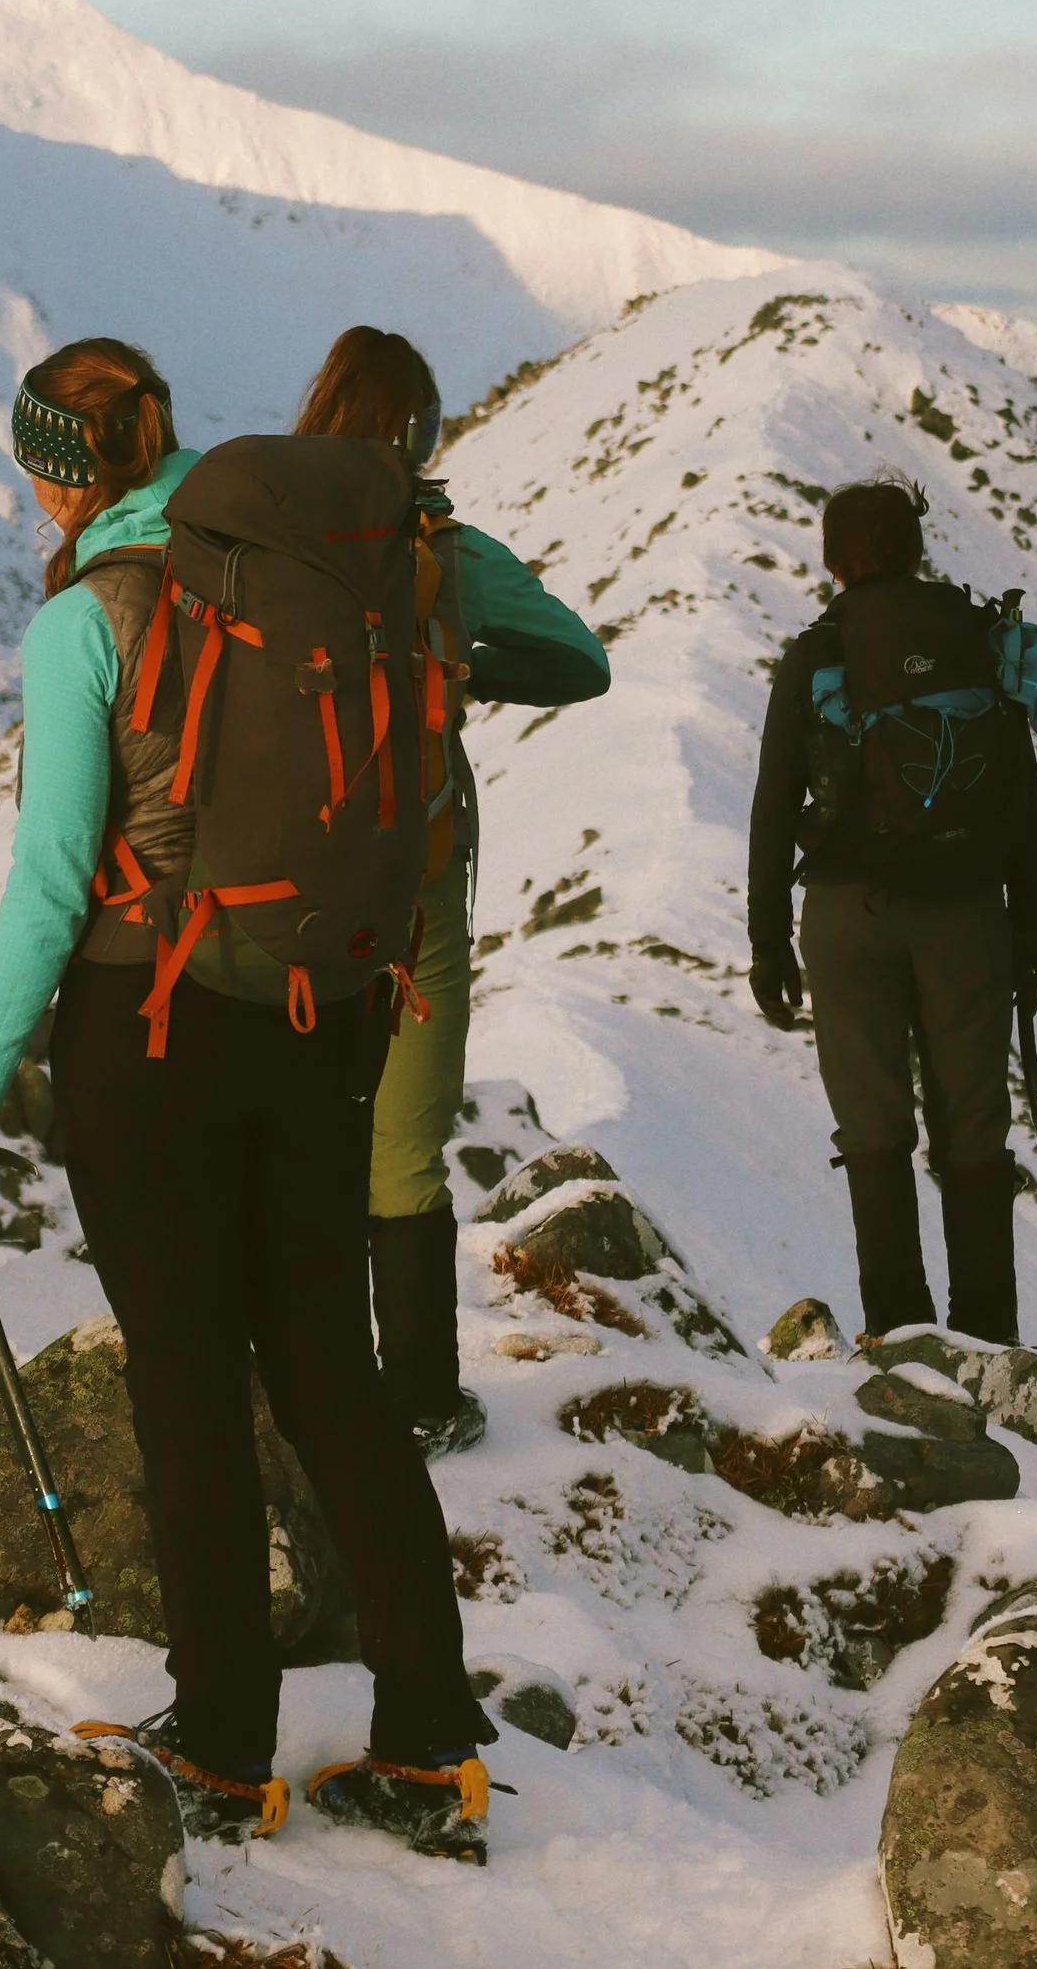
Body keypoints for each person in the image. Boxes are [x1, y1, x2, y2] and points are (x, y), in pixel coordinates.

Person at [0, 335, 495, 1866]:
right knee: (330, 1367)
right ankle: (433, 1738)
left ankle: (225, 1741)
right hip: (322, 1013)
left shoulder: (90, 613)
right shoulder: (290, 550)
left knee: (186, 1382)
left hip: (152, 1024)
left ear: (55, 468)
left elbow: (53, 881)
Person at [293, 326, 612, 1454]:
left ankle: (297, 1379)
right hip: (413, 871)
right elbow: (582, 662)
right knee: (403, 1142)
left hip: (271, 886)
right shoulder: (442, 554)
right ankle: (421, 1394)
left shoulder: (250, 541)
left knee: (289, 1128)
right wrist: (460, 662)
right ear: (421, 434)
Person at [744, 477, 1037, 1346]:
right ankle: (991, 1343)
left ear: (832, 559)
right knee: (975, 1133)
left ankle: (903, 1343)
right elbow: (1023, 803)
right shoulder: (979, 640)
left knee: (875, 1130)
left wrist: (768, 944)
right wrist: (1029, 932)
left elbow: (774, 807)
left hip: (848, 919)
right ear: (917, 547)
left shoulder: (816, 655)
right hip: (966, 916)